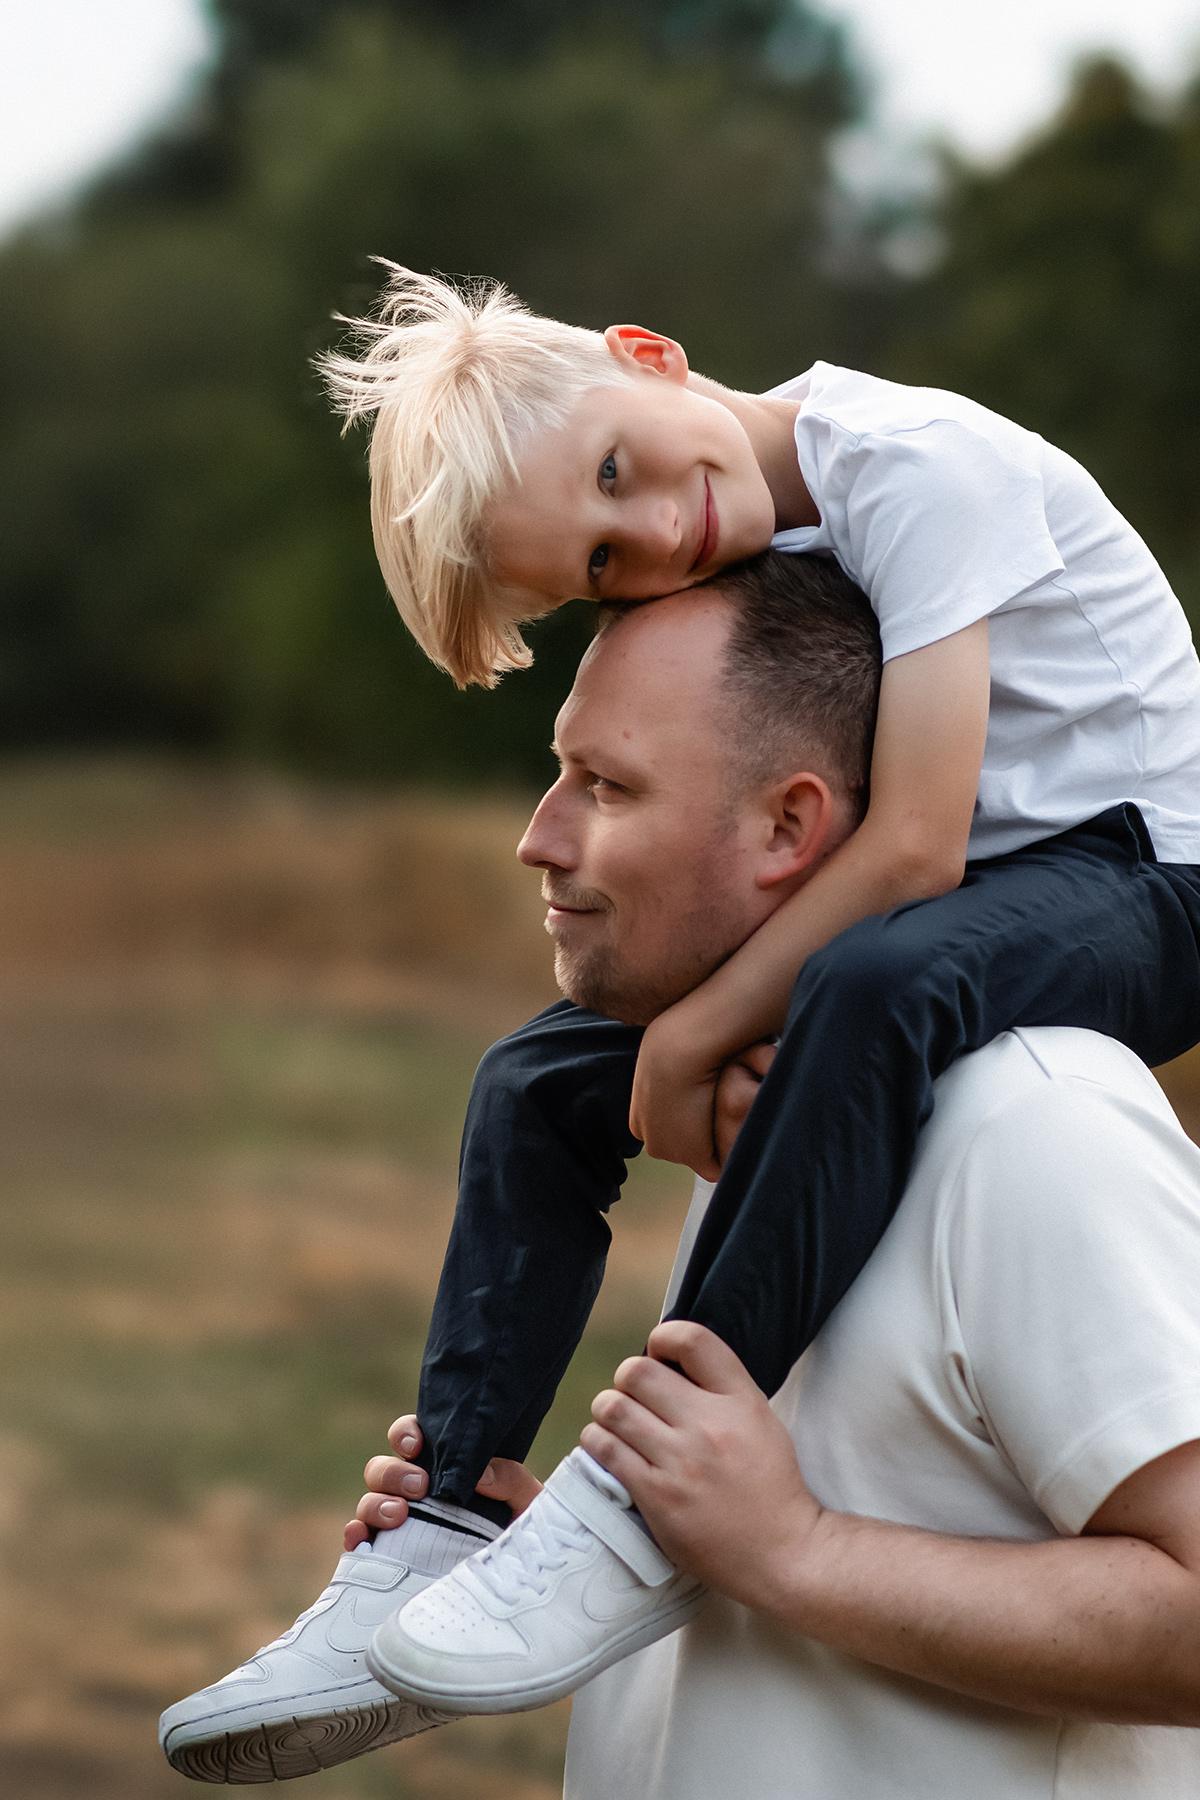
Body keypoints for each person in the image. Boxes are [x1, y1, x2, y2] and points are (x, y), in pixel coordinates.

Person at [353, 581, 1200, 1799]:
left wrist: (795, 1551)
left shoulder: (1038, 1123)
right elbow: (778, 1555)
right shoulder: (786, 1109)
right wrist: (559, 1552)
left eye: (608, 785)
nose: (538, 837)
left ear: (788, 826)